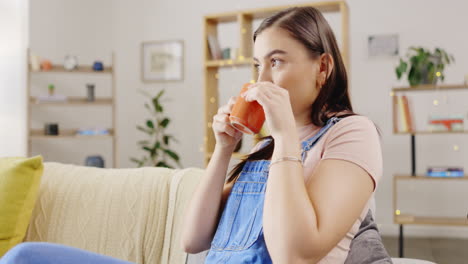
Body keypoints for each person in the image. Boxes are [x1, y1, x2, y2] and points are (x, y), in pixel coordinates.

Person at [181, 6, 382, 264]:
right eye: (257, 65)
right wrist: (223, 149)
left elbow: (293, 256)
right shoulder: (265, 147)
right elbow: (193, 239)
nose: (261, 80)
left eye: (275, 62)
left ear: (322, 67)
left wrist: (286, 137)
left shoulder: (353, 133)